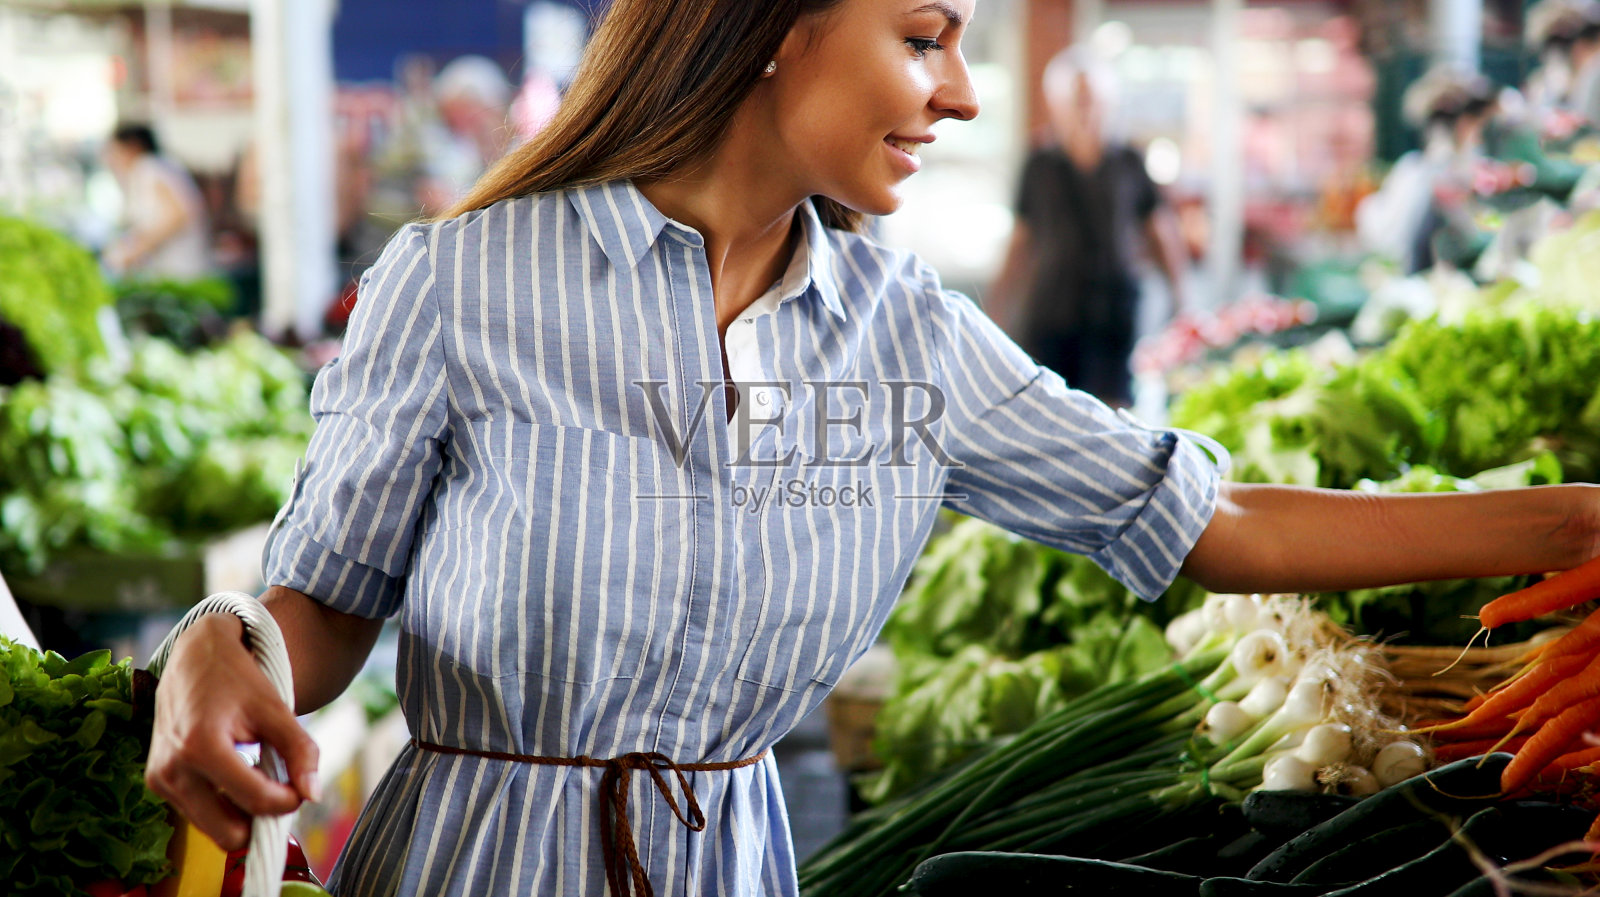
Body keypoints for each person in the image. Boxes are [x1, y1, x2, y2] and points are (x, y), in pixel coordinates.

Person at [146, 2, 1600, 896]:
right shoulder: (463, 283)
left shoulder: (911, 337)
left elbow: (1212, 523)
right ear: (777, 22)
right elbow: (321, 613)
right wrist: (223, 642)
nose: (963, 92)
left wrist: (1574, 525)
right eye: (923, 37)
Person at [986, 46, 1188, 408]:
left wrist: (1178, 293)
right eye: (1076, 100)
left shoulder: (1129, 161)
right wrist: (997, 304)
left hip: (1114, 312)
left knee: (1115, 412)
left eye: (1093, 100)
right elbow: (1021, 239)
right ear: (1057, 105)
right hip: (1053, 313)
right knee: (1051, 410)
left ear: (1109, 103)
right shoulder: (1039, 164)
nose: (1086, 110)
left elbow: (1159, 229)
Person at [102, 123, 214, 280]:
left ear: (133, 147)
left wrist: (135, 251)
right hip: (177, 271)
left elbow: (177, 217)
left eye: (115, 151)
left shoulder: (149, 168)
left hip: (182, 272)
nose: (111, 159)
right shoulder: (155, 167)